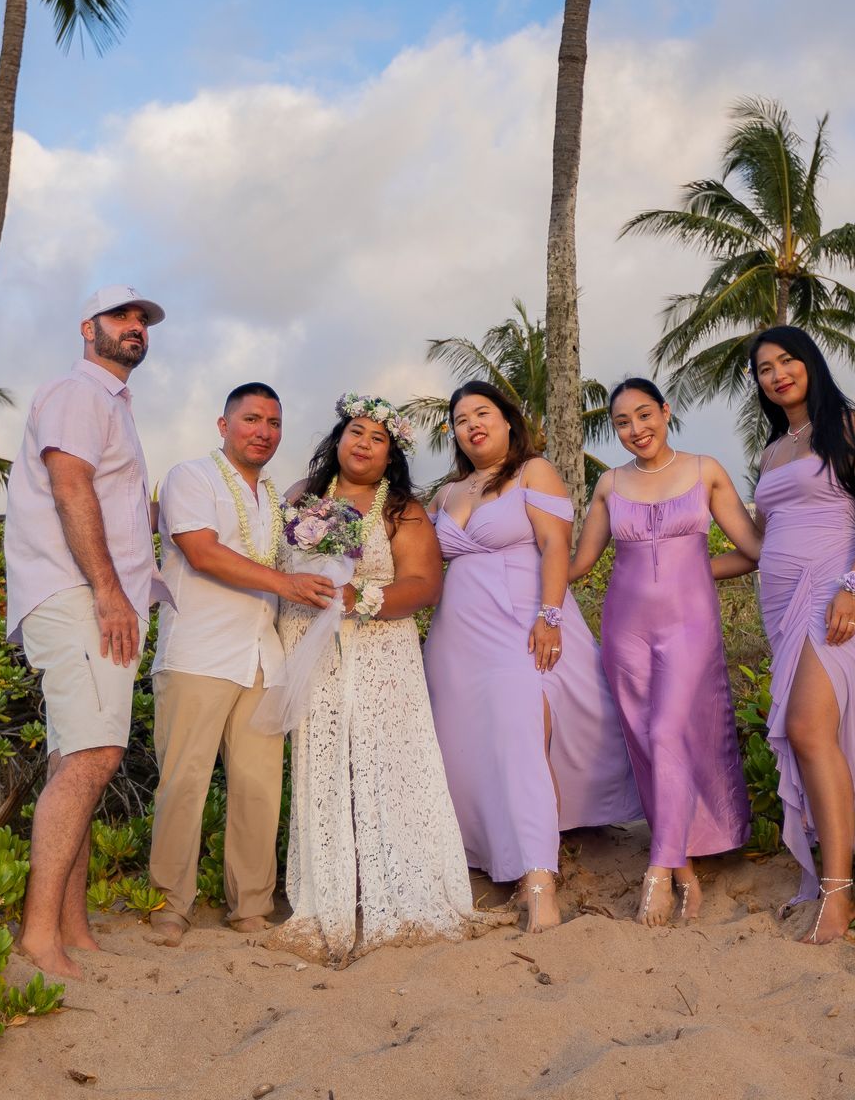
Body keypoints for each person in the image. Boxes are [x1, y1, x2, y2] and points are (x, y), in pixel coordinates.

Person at [268, 394, 503, 966]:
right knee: (323, 764)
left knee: (387, 764)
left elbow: (424, 585)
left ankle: (395, 889)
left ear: (390, 454)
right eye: (357, 431)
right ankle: (331, 891)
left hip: (381, 654)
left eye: (378, 438)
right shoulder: (300, 497)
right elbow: (276, 565)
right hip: (309, 651)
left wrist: (361, 598)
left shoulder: (402, 510)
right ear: (339, 438)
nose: (365, 444)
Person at [424, 381, 642, 933]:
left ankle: (539, 880)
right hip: (457, 638)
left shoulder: (533, 472)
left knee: (523, 735)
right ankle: (496, 857)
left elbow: (555, 546)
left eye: (483, 413)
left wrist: (550, 616)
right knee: (469, 747)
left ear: (507, 420)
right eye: (461, 419)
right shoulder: (445, 495)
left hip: (522, 621)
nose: (472, 425)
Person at [4, 284, 171, 977]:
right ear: (87, 327)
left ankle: (70, 926)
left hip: (90, 595)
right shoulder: (77, 393)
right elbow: (70, 487)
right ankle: (38, 936)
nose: (135, 326)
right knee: (93, 758)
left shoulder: (111, 403)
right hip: (82, 596)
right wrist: (108, 590)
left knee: (75, 757)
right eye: (120, 316)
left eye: (142, 319)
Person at [720, 327, 855, 944]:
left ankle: (838, 893)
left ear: (810, 363)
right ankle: (833, 876)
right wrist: (674, 568)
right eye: (764, 369)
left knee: (805, 728)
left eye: (787, 360)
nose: (777, 374)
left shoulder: (849, 424)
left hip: (833, 592)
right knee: (808, 733)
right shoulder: (771, 452)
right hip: (780, 604)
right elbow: (758, 546)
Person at [147, 384, 337, 946]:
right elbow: (201, 551)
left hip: (263, 656)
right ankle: (170, 905)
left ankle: (251, 905)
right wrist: (288, 583)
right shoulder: (191, 477)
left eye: (274, 423)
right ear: (223, 424)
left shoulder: (276, 498)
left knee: (259, 785)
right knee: (183, 782)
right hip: (199, 651)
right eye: (251, 419)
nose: (263, 432)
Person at [567, 377, 757, 925]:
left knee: (669, 730)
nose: (636, 429)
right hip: (624, 630)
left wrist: (691, 573)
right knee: (647, 742)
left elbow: (752, 552)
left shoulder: (705, 470)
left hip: (689, 627)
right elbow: (580, 565)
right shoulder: (609, 484)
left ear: (666, 412)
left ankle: (657, 867)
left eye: (644, 415)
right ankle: (684, 868)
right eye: (622, 422)